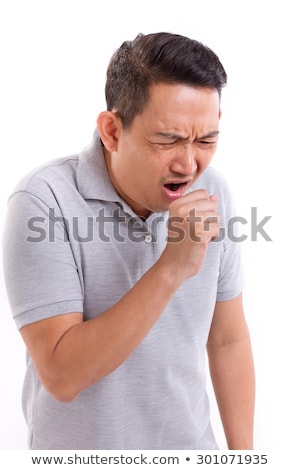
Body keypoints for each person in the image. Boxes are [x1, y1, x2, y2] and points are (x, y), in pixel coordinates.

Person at [2, 32, 255, 450]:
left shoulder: (213, 193)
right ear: (112, 131)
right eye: (168, 139)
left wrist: (244, 458)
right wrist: (171, 269)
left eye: (206, 140)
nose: (190, 163)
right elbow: (62, 376)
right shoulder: (43, 202)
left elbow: (228, 339)